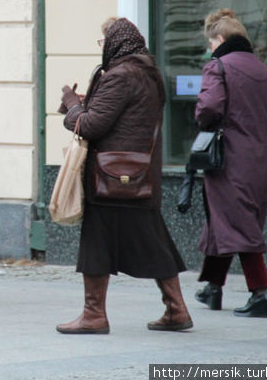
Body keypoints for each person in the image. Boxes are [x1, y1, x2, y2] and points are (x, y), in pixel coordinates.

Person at [57, 17, 191, 334]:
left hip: (110, 176)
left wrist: (72, 106)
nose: (102, 48)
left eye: (104, 42)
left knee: (97, 244)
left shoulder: (120, 75)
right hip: (139, 175)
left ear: (116, 43)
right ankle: (177, 309)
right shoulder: (148, 72)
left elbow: (91, 125)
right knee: (154, 243)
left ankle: (93, 315)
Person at [192, 9, 267, 317]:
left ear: (220, 39)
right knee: (223, 221)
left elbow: (208, 108)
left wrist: (201, 117)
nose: (211, 49)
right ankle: (212, 287)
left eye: (211, 43)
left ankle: (261, 293)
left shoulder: (218, 67)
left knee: (240, 225)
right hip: (258, 163)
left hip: (227, 161)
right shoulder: (264, 71)